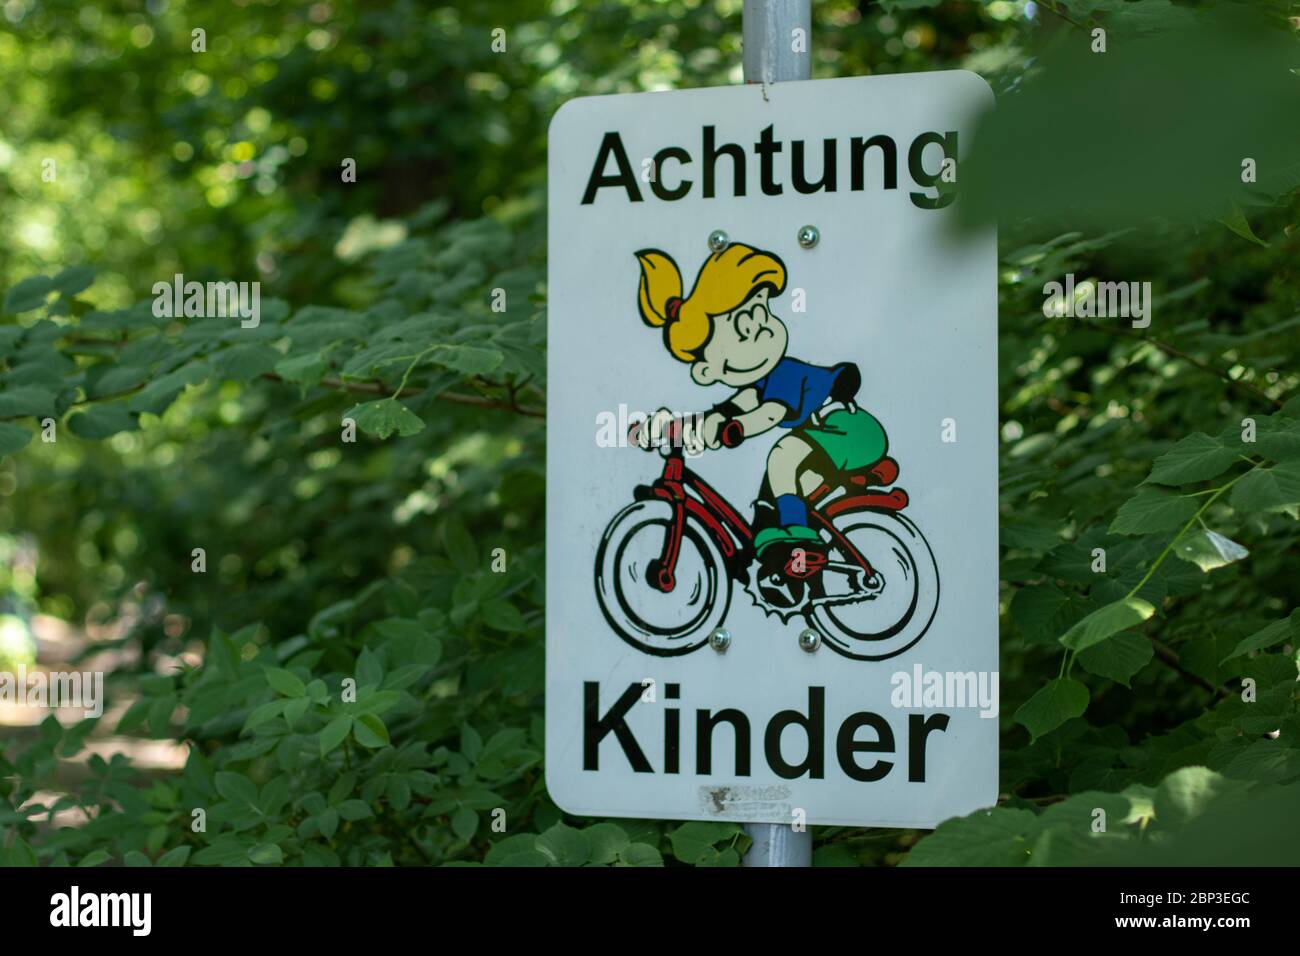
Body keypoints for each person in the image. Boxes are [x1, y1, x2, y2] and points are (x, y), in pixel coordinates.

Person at [633, 242, 889, 557]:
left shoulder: (783, 375)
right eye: (743, 328)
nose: (762, 331)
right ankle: (784, 559)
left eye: (761, 314)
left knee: (783, 456)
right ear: (707, 370)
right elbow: (726, 410)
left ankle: (800, 536)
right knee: (770, 502)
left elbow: (768, 413)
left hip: (846, 429)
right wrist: (676, 427)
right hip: (822, 439)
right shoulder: (759, 382)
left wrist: (737, 428)